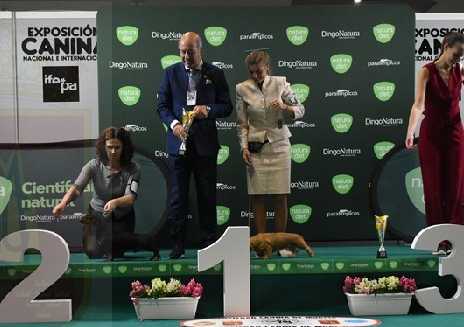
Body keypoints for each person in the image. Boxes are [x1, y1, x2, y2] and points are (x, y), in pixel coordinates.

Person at [405, 30, 464, 254]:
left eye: (462, 55)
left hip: (456, 135)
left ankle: (455, 239)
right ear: (446, 47)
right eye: (457, 53)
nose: (459, 58)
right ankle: (438, 240)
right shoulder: (426, 71)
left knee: (456, 189)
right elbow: (419, 104)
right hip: (431, 136)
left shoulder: (462, 70)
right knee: (434, 190)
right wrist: (411, 131)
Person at [156, 31, 233, 259]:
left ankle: (209, 244)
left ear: (201, 51)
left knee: (207, 197)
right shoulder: (170, 73)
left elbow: (226, 107)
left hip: (205, 146)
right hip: (178, 146)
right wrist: (174, 124)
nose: (186, 56)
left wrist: (208, 109)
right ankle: (177, 245)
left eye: (190, 52)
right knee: (178, 197)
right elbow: (162, 107)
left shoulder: (215, 73)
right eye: (182, 52)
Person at [236, 49, 305, 235]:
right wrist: (244, 148)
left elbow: (300, 110)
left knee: (280, 197)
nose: (255, 76)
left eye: (259, 71)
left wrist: (285, 106)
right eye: (252, 72)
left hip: (280, 147)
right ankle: (262, 243)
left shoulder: (281, 83)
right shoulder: (242, 89)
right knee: (258, 198)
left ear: (267, 67)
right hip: (256, 150)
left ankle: (280, 242)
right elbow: (242, 124)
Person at [53, 126, 140, 259]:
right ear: (103, 147)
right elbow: (77, 187)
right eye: (110, 147)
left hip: (122, 216)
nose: (113, 151)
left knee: (116, 253)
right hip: (96, 215)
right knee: (93, 252)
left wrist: (115, 202)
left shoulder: (133, 168)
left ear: (124, 148)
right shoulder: (93, 165)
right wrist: (63, 203)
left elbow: (131, 197)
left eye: (117, 147)